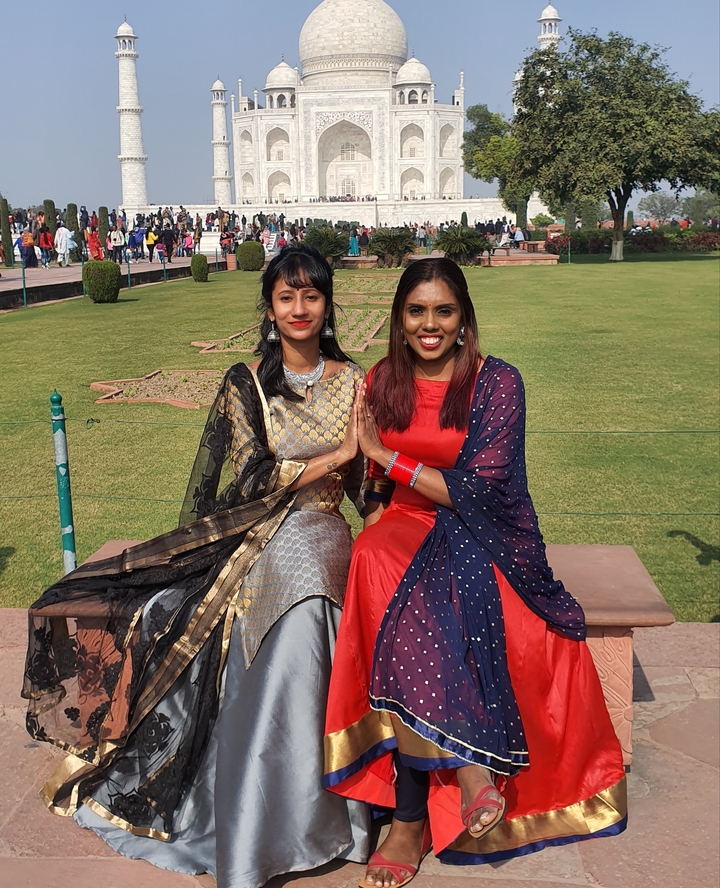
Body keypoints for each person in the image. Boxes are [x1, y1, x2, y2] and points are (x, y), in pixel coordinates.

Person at [22, 245, 370, 888]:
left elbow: (365, 486)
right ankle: (266, 814)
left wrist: (393, 513)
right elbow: (253, 478)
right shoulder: (246, 383)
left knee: (313, 591)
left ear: (328, 304)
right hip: (252, 529)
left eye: (312, 295)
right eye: (286, 297)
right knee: (218, 608)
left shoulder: (355, 381)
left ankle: (312, 809)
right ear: (269, 308)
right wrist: (335, 455)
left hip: (321, 529)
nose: (299, 308)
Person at [323, 258, 627, 885]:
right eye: (416, 311)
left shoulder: (497, 382)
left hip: (481, 525)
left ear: (464, 317)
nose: (429, 325)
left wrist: (388, 459)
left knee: (433, 593)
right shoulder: (382, 379)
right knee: (375, 559)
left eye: (444, 311)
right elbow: (373, 481)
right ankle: (443, 790)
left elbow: (482, 492)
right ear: (399, 318)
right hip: (407, 520)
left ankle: (425, 805)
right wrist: (375, 515)